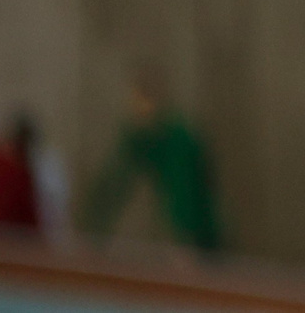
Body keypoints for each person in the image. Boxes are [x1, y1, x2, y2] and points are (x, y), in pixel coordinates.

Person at [84, 68, 220, 250]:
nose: (135, 105)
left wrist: (186, 240)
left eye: (142, 98)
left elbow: (185, 196)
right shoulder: (140, 138)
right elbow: (113, 185)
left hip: (198, 238)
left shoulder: (178, 138)